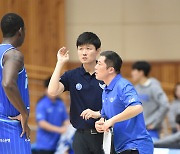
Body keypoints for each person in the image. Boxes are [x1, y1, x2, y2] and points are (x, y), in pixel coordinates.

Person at [48, 32, 105, 154]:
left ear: (98, 50)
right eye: (80, 49)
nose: (84, 52)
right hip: (80, 135)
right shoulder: (72, 75)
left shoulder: (106, 75)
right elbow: (52, 91)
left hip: (104, 134)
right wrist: (60, 63)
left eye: (88, 48)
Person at [95, 51, 154, 154]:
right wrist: (101, 123)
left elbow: (137, 107)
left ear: (110, 69)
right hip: (121, 147)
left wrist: (111, 121)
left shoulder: (123, 85)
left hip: (136, 146)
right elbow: (105, 116)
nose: (95, 67)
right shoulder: (106, 90)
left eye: (99, 64)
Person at [0, 13, 31, 153]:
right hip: (9, 124)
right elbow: (8, 84)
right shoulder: (13, 55)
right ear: (20, 30)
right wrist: (24, 113)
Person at [131, 61, 169, 141]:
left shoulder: (154, 87)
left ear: (141, 72)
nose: (132, 73)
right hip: (138, 129)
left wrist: (155, 123)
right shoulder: (136, 88)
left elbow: (165, 105)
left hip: (151, 130)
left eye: (134, 70)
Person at [35, 77, 69, 154]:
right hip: (44, 146)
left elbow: (65, 119)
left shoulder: (60, 103)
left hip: (58, 145)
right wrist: (60, 130)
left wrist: (68, 129)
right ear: (46, 89)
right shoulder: (42, 104)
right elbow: (42, 123)